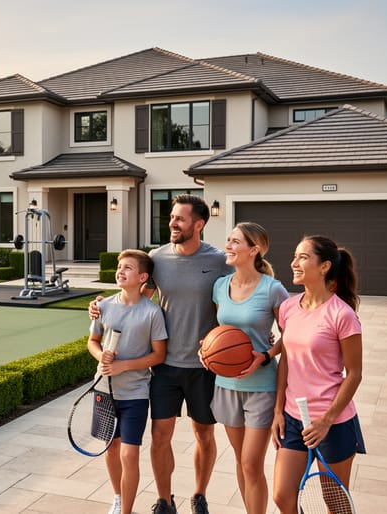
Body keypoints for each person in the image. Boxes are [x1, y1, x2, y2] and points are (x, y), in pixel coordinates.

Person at [91, 194, 232, 514]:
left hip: (204, 366)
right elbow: (135, 299)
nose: (172, 223)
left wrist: (258, 330)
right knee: (159, 436)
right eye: (171, 217)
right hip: (165, 365)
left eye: (180, 219)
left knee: (204, 434)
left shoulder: (219, 260)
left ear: (199, 224)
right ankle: (165, 500)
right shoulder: (158, 258)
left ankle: (199, 494)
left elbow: (239, 296)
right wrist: (101, 308)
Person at [271, 235, 366, 514]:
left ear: (324, 267)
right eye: (295, 256)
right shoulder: (289, 307)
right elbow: (286, 360)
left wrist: (326, 421)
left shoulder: (342, 314)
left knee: (335, 504)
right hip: (292, 418)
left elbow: (355, 373)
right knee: (282, 497)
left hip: (333, 423)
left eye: (302, 257)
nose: (294, 263)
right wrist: (278, 410)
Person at [202, 222, 288, 514]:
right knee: (241, 461)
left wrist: (264, 355)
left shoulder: (273, 289)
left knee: (252, 463)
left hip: (261, 387)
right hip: (226, 386)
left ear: (254, 249)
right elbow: (221, 333)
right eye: (228, 240)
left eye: (235, 241)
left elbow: (290, 334)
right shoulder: (219, 286)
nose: (228, 245)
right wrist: (207, 350)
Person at [89, 249, 168, 514]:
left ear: (143, 277)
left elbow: (159, 354)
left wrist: (124, 365)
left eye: (128, 268)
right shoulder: (104, 306)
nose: (120, 271)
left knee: (129, 453)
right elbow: (92, 341)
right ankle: (118, 497)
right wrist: (102, 357)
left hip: (135, 393)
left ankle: (126, 511)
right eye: (119, 266)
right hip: (104, 390)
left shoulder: (152, 313)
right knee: (111, 449)